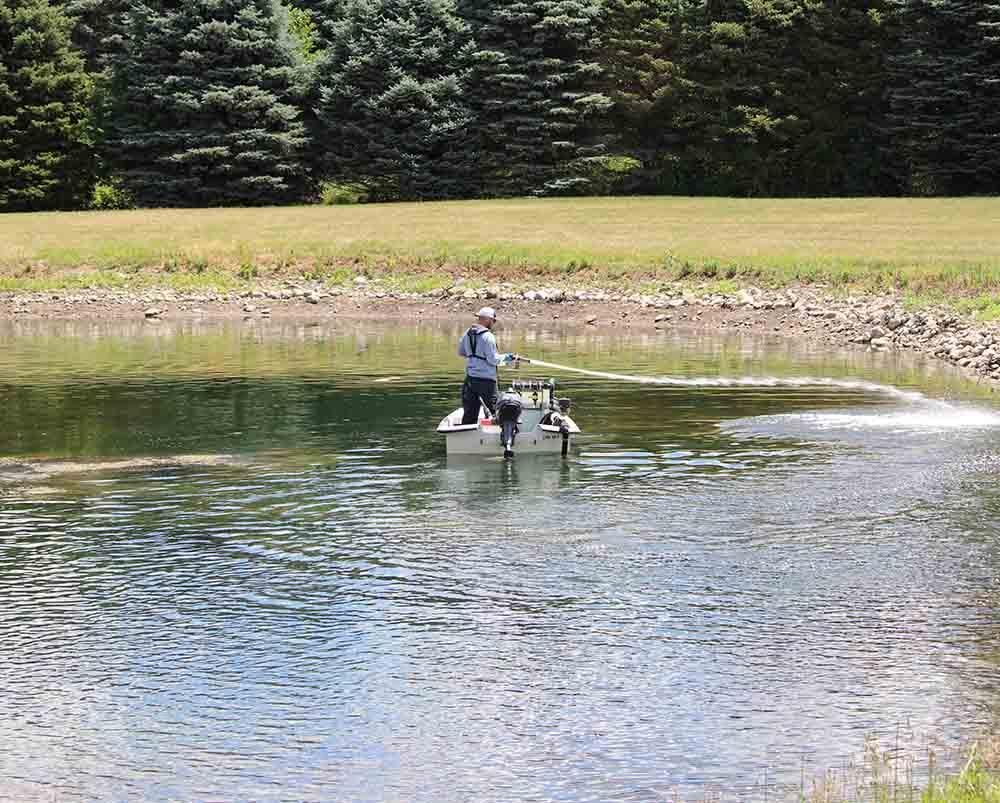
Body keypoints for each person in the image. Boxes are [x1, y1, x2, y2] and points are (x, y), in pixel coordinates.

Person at [457, 306, 516, 424]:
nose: (493, 323)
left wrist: (474, 357)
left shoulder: (467, 334)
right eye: (493, 320)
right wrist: (508, 357)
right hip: (487, 382)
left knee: (469, 413)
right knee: (494, 412)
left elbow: (461, 352)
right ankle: (495, 436)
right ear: (487, 319)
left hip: (470, 380)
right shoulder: (488, 337)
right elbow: (493, 360)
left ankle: (467, 436)